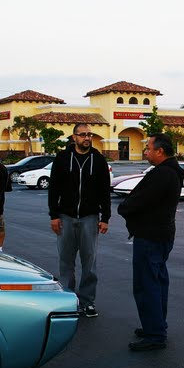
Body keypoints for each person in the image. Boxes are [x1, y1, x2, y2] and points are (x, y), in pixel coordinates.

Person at [117, 133, 183, 352]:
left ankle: (155, 334)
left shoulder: (163, 174)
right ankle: (155, 326)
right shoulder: (170, 172)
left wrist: (124, 209)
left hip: (151, 236)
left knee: (148, 285)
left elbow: (140, 200)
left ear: (160, 151)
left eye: (148, 148)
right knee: (157, 282)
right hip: (161, 234)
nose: (145, 151)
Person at [47, 123, 111, 318]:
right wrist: (54, 215)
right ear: (74, 137)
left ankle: (87, 302)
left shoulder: (98, 160)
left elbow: (104, 191)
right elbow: (54, 189)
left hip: (90, 218)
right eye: (82, 135)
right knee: (66, 262)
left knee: (89, 263)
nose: (87, 138)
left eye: (89, 134)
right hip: (65, 217)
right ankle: (67, 301)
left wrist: (105, 217)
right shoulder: (62, 159)